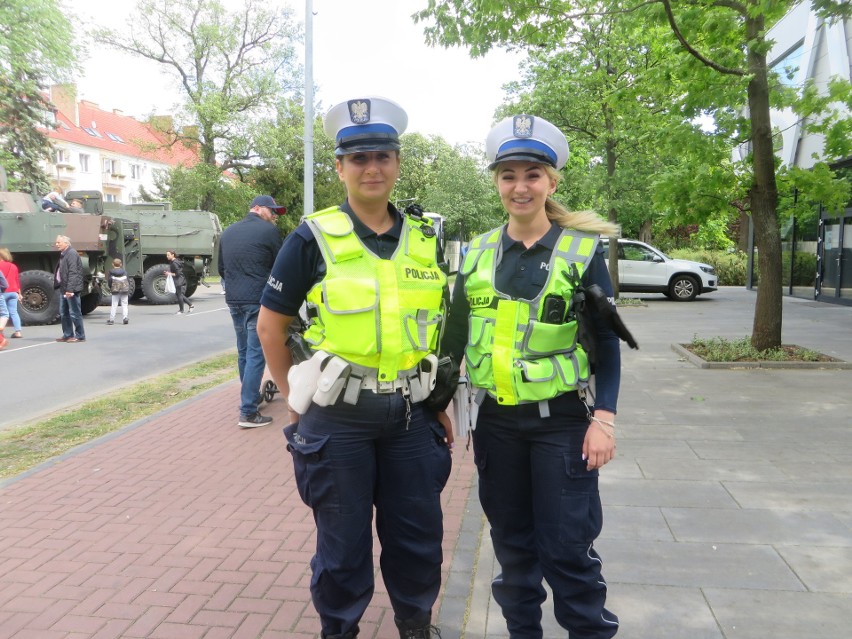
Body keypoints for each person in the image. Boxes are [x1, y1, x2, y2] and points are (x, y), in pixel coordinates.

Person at [257, 96, 452, 639]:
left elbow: (433, 330)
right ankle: (339, 630)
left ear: (396, 163)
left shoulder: (423, 239)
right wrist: (296, 403)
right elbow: (270, 329)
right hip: (336, 419)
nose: (372, 168)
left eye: (383, 156)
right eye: (359, 158)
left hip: (413, 419)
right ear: (339, 167)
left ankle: (416, 626)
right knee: (342, 547)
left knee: (418, 541)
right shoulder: (310, 238)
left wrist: (438, 403)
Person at [439, 115, 627, 639]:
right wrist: (438, 408)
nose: (520, 186)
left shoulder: (581, 253)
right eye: (508, 175)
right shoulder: (474, 253)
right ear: (496, 181)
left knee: (568, 550)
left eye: (532, 174)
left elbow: (607, 344)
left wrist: (605, 420)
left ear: (552, 182)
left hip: (562, 425)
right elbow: (455, 340)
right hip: (496, 426)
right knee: (514, 552)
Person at [218, 194, 285, 428]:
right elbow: (281, 266)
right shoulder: (268, 233)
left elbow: (221, 268)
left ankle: (251, 397)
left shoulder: (227, 232)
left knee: (244, 351)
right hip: (257, 300)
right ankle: (247, 412)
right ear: (258, 208)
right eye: (272, 211)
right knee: (256, 353)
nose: (274, 216)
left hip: (234, 300)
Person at [53, 235, 86, 343]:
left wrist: (70, 289)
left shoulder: (71, 253)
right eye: (56, 242)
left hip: (71, 289)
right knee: (64, 313)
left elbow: (73, 272)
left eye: (59, 242)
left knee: (74, 313)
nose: (56, 244)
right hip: (64, 288)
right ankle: (67, 334)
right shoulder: (64, 254)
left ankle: (80, 336)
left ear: (66, 243)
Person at [0, 247, 22, 340]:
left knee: (2, 314)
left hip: (3, 292)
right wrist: (19, 293)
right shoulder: (13, 266)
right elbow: (17, 280)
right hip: (14, 292)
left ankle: (1, 334)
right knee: (14, 312)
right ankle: (18, 332)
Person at [164, 250, 194, 314]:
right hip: (179, 279)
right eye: (166, 255)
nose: (167, 256)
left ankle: (181, 310)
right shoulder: (174, 261)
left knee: (179, 295)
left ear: (173, 255)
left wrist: (169, 273)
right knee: (179, 294)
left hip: (178, 280)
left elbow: (177, 274)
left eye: (168, 255)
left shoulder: (174, 263)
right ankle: (191, 305)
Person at [106, 258, 130, 325]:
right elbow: (128, 281)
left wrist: (111, 287)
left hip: (115, 290)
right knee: (125, 304)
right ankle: (125, 318)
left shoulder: (111, 272)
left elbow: (109, 281)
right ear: (121, 264)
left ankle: (111, 320)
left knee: (114, 305)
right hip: (124, 290)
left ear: (112, 264)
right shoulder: (125, 272)